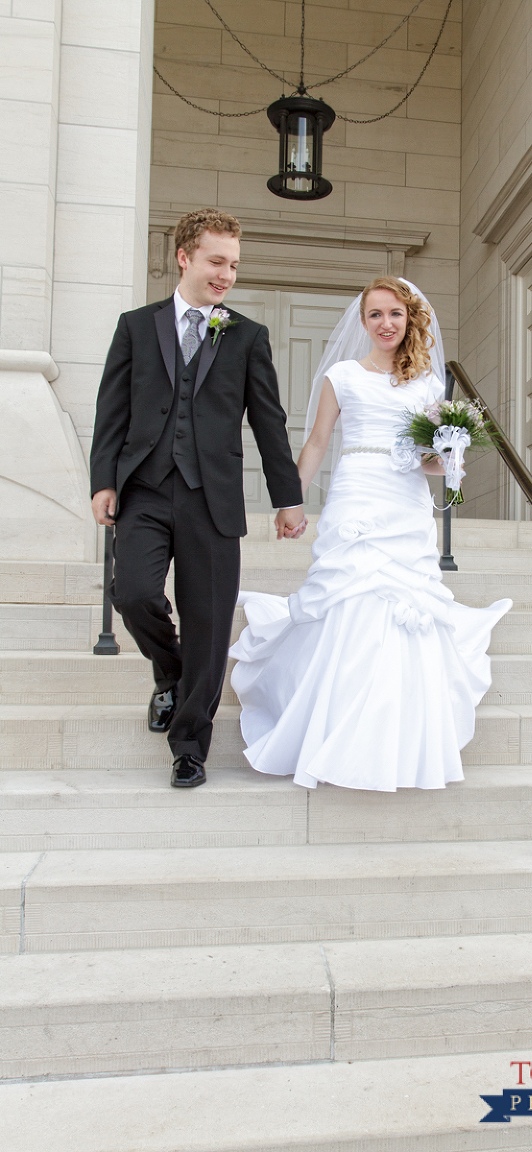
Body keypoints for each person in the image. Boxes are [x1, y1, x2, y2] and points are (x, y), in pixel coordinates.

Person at [229, 276, 512, 790]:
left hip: (404, 502)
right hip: (357, 492)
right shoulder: (343, 375)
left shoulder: (428, 384)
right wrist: (291, 501)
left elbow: (426, 463)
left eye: (395, 315)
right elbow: (317, 443)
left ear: (411, 320)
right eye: (376, 315)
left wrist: (448, 458)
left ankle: (394, 734)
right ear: (363, 322)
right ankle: (334, 725)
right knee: (350, 597)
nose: (386, 324)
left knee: (405, 604)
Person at [90, 208, 306, 789]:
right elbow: (111, 410)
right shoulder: (137, 326)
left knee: (210, 624)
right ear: (184, 257)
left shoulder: (247, 337)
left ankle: (190, 745)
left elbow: (269, 422)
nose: (226, 275)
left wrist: (288, 497)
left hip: (212, 499)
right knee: (132, 592)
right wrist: (103, 480)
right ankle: (170, 670)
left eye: (233, 265)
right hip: (144, 490)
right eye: (216, 262)